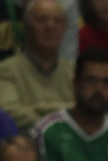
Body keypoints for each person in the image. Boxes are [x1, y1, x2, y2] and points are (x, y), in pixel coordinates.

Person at [0, 0, 74, 134]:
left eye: (57, 21)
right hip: (27, 146)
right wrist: (64, 113)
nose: (50, 26)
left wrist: (35, 108)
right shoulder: (6, 70)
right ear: (27, 27)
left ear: (64, 29)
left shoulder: (73, 72)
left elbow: (85, 112)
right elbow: (10, 113)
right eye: (41, 19)